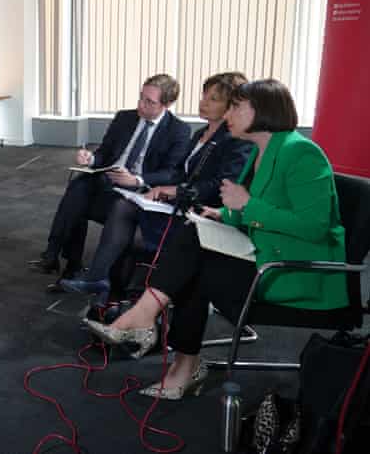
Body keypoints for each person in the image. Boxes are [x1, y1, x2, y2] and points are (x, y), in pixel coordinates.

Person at [84, 79, 348, 400]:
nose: (228, 115)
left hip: (294, 271)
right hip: (262, 252)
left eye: (236, 107)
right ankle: (166, 343)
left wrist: (245, 206)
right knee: (192, 234)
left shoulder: (302, 153)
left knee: (196, 266)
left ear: (263, 112)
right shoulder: (263, 150)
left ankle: (173, 351)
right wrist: (225, 215)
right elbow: (261, 207)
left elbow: (314, 227)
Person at [58, 72, 253, 302]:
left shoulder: (235, 140)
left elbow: (219, 186)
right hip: (179, 201)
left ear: (231, 106)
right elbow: (180, 172)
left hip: (203, 211)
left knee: (124, 214)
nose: (203, 102)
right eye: (204, 96)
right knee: (118, 204)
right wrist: (162, 188)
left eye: (212, 99)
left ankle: (108, 289)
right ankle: (103, 284)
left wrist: (173, 190)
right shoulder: (201, 133)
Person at [29, 74, 191, 290]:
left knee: (80, 201)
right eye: (141, 97)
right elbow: (105, 152)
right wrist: (92, 159)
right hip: (108, 180)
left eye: (149, 102)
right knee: (79, 188)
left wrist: (137, 179)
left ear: (167, 104)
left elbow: (171, 173)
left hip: (138, 191)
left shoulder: (178, 130)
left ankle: (62, 260)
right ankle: (61, 257)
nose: (140, 105)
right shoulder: (125, 118)